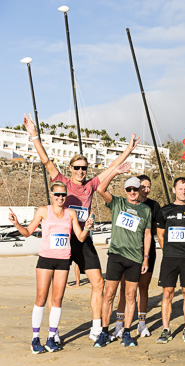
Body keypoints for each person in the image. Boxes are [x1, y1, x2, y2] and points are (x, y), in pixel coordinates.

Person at [23, 113, 141, 341]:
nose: (80, 171)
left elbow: (111, 167)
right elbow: (47, 162)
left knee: (98, 282)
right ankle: (52, 334)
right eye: (77, 167)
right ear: (70, 168)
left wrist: (128, 149)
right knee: (55, 293)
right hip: (63, 240)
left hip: (83, 238)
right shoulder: (63, 183)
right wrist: (34, 135)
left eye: (84, 168)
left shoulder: (90, 185)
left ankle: (96, 327)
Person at [8, 182, 93, 353]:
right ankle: (35, 338)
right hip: (46, 259)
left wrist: (88, 228)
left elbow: (80, 237)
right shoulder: (42, 211)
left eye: (63, 195)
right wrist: (16, 223)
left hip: (63, 260)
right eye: (57, 195)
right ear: (52, 194)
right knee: (41, 298)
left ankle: (51, 337)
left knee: (57, 299)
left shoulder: (71, 213)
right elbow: (28, 232)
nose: (60, 198)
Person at [93, 169, 152, 348]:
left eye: (135, 189)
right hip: (116, 255)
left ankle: (127, 332)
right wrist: (115, 172)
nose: (132, 192)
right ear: (125, 190)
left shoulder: (145, 210)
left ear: (140, 190)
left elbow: (148, 235)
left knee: (130, 295)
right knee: (109, 294)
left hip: (135, 257)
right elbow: (101, 189)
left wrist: (146, 258)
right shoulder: (117, 203)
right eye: (129, 189)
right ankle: (104, 332)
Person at [155, 177, 185, 344]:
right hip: (170, 258)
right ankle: (166, 329)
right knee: (167, 293)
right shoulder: (164, 210)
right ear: (174, 190)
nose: (183, 191)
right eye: (180, 188)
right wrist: (167, 249)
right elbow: (160, 234)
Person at [113, 174, 160, 339]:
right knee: (125, 289)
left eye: (148, 187)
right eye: (143, 187)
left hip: (146, 252)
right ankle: (119, 323)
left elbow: (155, 230)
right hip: (127, 252)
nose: (145, 190)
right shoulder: (125, 203)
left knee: (143, 288)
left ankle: (141, 323)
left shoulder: (153, 206)